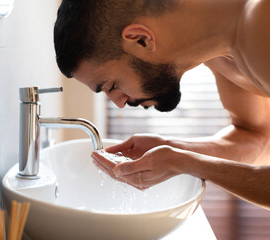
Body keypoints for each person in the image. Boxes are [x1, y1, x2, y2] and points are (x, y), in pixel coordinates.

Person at [53, 0, 270, 209]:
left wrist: (185, 163)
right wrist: (174, 150)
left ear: (140, 39)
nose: (119, 103)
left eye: (112, 85)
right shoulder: (222, 49)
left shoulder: (262, 20)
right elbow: (256, 136)